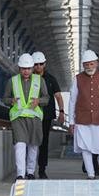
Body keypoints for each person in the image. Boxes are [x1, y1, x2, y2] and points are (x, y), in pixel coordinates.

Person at [68, 50, 99, 180]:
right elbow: (72, 100)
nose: (89, 67)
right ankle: (91, 175)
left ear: (97, 63)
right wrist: (71, 122)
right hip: (82, 119)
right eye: (86, 65)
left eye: (91, 64)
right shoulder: (78, 79)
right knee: (85, 147)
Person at [2, 53, 48, 180]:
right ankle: (20, 174)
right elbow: (4, 98)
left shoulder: (40, 81)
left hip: (34, 118)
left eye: (28, 68)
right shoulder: (12, 81)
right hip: (18, 118)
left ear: (32, 68)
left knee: (33, 145)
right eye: (23, 68)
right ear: (19, 68)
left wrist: (38, 101)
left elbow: (47, 98)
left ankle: (30, 172)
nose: (26, 71)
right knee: (20, 145)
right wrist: (11, 101)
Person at [31, 51, 64, 179]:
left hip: (46, 116)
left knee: (43, 143)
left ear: (44, 64)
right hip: (31, 115)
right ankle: (30, 170)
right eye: (36, 64)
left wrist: (61, 112)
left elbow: (58, 96)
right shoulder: (27, 78)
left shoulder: (51, 79)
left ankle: (42, 169)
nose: (38, 66)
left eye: (40, 64)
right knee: (31, 143)